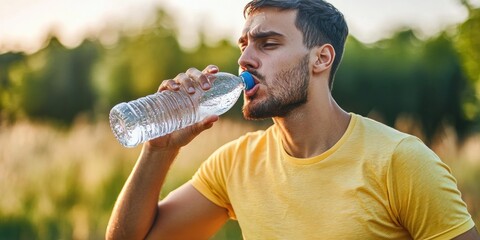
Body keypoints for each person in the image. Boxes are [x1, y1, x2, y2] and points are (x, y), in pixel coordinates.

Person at [106, 0, 479, 239]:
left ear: (321, 59)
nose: (246, 59)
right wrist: (158, 148)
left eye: (268, 44)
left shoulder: (401, 161)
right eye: (245, 45)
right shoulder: (235, 163)